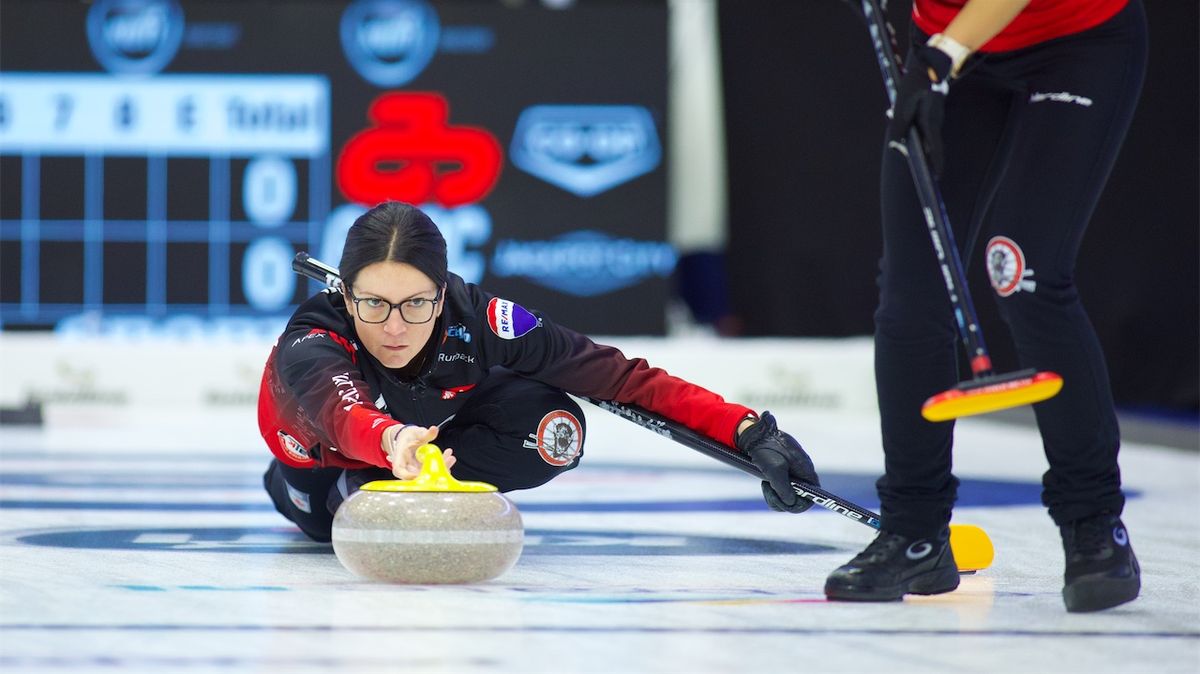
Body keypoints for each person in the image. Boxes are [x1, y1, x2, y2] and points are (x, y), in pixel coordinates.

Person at [823, 0, 1146, 612]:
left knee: (1021, 272)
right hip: (949, 48)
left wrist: (945, 54)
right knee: (911, 294)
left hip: (1076, 41)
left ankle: (1095, 525)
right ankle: (914, 532)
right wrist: (942, 52)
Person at [258, 200, 819, 544]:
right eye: (375, 305)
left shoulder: (478, 320)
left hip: (434, 439)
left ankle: (390, 484)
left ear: (443, 291)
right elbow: (343, 413)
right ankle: (355, 488)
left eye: (418, 304)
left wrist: (747, 431)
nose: (396, 327)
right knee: (331, 515)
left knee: (556, 430)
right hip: (326, 463)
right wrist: (392, 443)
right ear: (347, 296)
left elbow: (622, 379)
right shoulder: (312, 341)